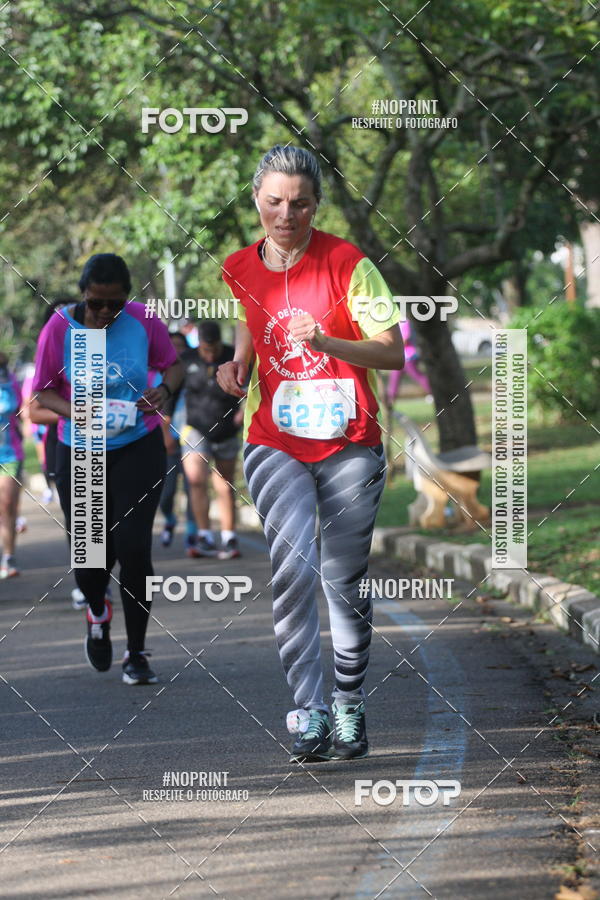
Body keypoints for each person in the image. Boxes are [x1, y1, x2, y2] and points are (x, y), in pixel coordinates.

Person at [217, 145, 404, 762]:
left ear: (316, 204)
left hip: (350, 440)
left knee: (341, 580)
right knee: (292, 569)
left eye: (299, 203)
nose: (287, 214)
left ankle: (349, 703)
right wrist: (240, 364)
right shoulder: (239, 265)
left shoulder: (349, 263)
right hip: (274, 439)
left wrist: (326, 340)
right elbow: (251, 317)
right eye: (274, 202)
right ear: (257, 201)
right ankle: (309, 710)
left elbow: (391, 350)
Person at [33, 253, 183, 684]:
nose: (103, 313)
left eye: (113, 304)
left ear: (126, 299)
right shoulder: (61, 327)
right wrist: (77, 411)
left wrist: (165, 391)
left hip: (138, 444)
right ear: (84, 295)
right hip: (80, 450)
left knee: (135, 548)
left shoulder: (142, 320)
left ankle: (136, 652)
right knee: (92, 558)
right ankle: (98, 611)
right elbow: (43, 392)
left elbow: (171, 364)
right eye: (96, 303)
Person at [178, 320, 244, 560]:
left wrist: (243, 412)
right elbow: (172, 391)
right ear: (199, 345)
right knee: (196, 480)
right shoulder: (187, 359)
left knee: (224, 483)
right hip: (196, 428)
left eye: (214, 349)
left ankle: (229, 537)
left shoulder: (232, 356)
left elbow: (252, 385)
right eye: (206, 349)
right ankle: (204, 535)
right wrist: (164, 425)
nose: (210, 354)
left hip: (226, 428)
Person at [156, 332, 197, 549]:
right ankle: (170, 519)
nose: (177, 349)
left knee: (193, 486)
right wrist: (165, 437)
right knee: (167, 493)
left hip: (192, 440)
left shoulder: (192, 372)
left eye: (181, 345)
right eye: (173, 345)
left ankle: (192, 533)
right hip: (170, 442)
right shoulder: (162, 374)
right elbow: (163, 413)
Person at [0, 352, 24, 578]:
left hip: (8, 453)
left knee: (6, 504)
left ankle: (8, 556)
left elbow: (20, 413)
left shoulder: (9, 381)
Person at [386, 319, 432, 404]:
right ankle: (390, 403)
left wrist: (391, 347)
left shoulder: (404, 321)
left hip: (408, 357)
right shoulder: (393, 323)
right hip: (398, 358)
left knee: (418, 377)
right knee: (394, 380)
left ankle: (432, 393)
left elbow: (405, 340)